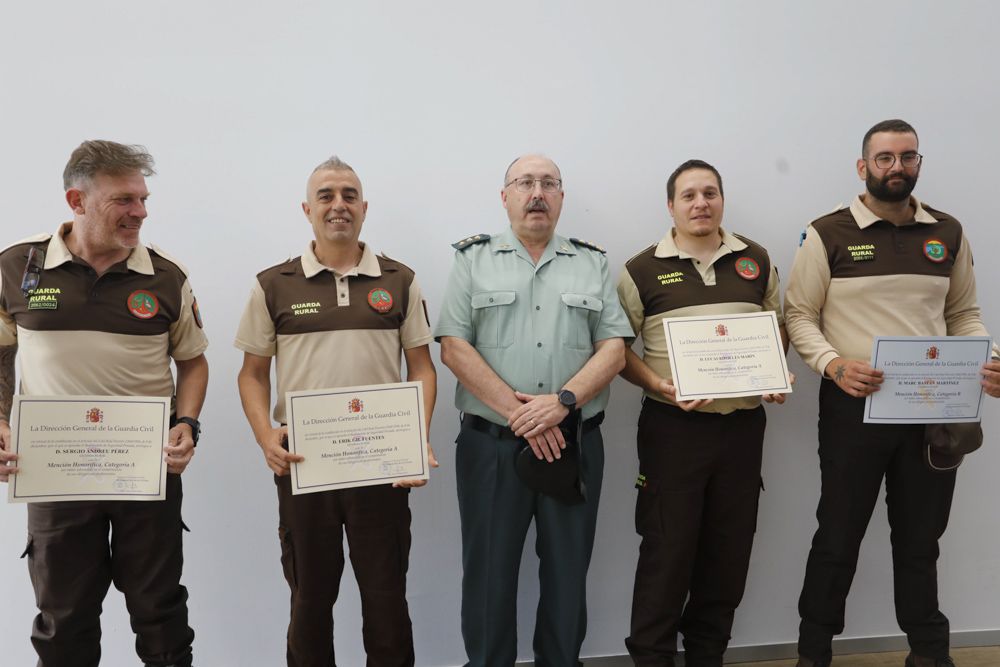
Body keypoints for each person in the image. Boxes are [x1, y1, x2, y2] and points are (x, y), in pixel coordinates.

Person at [785, 119, 1000, 667]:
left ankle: (929, 653)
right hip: (852, 407)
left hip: (934, 410)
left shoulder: (948, 231)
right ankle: (814, 653)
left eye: (907, 157)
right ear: (864, 167)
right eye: (884, 158)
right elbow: (800, 316)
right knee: (838, 535)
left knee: (920, 540)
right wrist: (834, 365)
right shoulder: (826, 232)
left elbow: (964, 314)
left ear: (919, 163)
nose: (895, 167)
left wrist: (986, 359)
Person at [0, 140, 209, 667]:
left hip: (146, 469)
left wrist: (187, 422)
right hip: (54, 471)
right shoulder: (15, 266)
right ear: (77, 200)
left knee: (159, 611)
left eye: (142, 198)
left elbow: (193, 361)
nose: (140, 211)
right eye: (124, 200)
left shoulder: (167, 277)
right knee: (63, 617)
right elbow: (1, 355)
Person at [235, 156, 437, 667]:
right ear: (307, 209)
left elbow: (422, 367)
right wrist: (266, 437)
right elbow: (252, 373)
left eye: (349, 195)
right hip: (306, 469)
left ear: (365, 208)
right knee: (310, 600)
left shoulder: (400, 279)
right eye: (326, 196)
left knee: (386, 599)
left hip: (383, 470)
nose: (338, 205)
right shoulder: (273, 284)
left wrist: (416, 436)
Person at [435, 154, 632, 666]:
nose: (537, 192)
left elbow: (614, 347)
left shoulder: (591, 262)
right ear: (506, 196)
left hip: (575, 443)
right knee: (488, 577)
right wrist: (523, 415)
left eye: (548, 183)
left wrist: (562, 404)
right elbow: (453, 346)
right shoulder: (471, 260)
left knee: (568, 576)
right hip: (491, 447)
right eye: (525, 182)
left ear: (562, 196)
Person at [617, 159, 789, 667]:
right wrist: (657, 384)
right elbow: (614, 349)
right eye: (688, 195)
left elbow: (776, 327)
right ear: (670, 206)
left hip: (741, 431)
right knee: (666, 555)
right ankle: (651, 658)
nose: (701, 203)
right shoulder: (641, 269)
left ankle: (706, 656)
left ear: (721, 200)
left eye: (710, 193)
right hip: (673, 430)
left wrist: (773, 373)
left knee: (727, 554)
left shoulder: (755, 259)